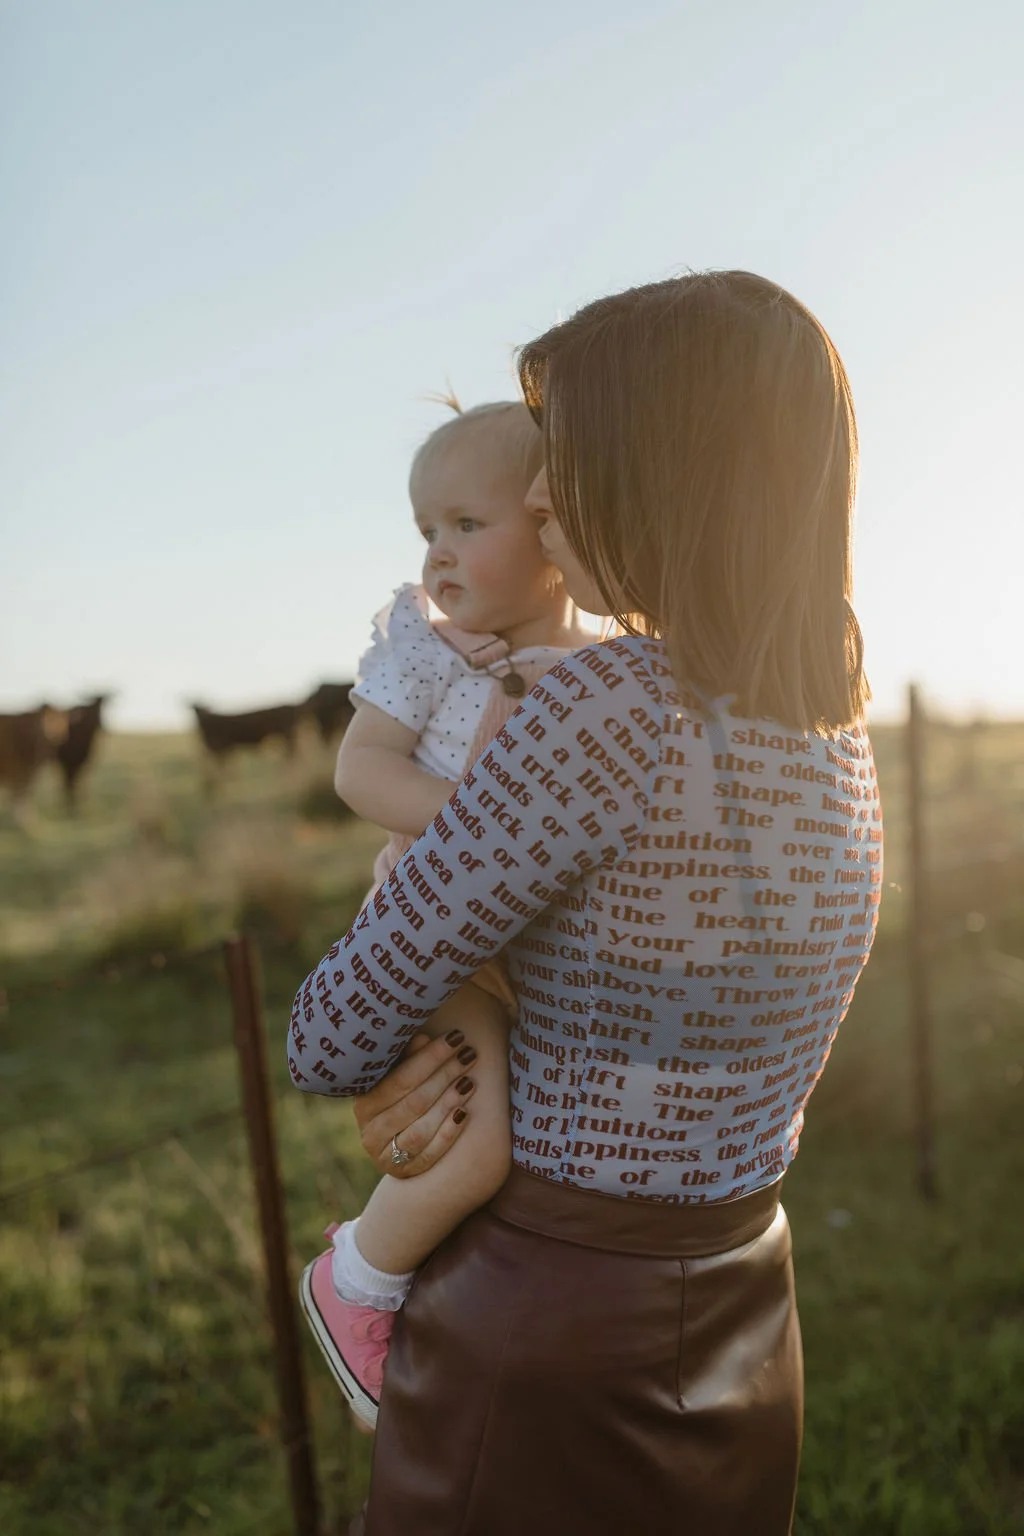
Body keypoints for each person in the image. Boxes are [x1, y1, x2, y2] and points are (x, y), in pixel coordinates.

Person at [288, 270, 883, 1536]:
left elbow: (329, 1037)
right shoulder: (833, 717)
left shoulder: (604, 702)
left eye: (572, 458)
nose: (544, 499)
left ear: (669, 467)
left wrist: (452, 1047)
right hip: (742, 1297)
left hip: (547, 1322)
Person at [297, 400, 593, 1430]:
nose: (439, 554)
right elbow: (359, 770)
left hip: (546, 945)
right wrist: (479, 832)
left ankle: (483, 1322)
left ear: (556, 532)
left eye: (467, 525)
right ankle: (357, 1283)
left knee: (551, 1137)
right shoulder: (428, 651)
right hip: (439, 938)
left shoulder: (600, 661)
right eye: (427, 531)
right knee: (473, 1144)